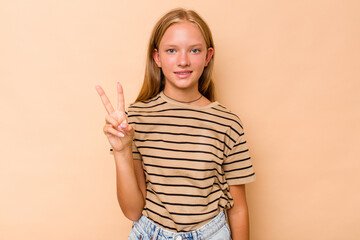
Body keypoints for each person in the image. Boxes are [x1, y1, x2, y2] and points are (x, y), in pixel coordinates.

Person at [95, 7, 255, 240]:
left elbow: (238, 208)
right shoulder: (137, 118)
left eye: (194, 50)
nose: (183, 61)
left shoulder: (227, 124)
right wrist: (122, 151)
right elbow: (132, 211)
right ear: (157, 57)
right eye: (172, 50)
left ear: (208, 56)